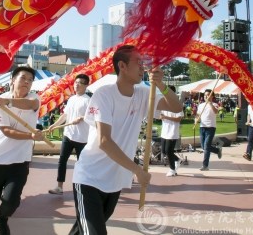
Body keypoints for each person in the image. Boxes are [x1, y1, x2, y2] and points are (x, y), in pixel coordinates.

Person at [69, 45, 182, 235]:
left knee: (83, 231)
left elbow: (176, 107)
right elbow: (105, 141)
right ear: (122, 65)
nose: (143, 67)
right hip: (89, 178)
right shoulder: (104, 94)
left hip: (115, 181)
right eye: (138, 62)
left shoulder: (144, 94)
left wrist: (161, 84)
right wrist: (137, 170)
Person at [0, 66, 45, 235]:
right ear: (13, 80)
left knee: (11, 201)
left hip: (20, 162)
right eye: (23, 78)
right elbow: (7, 131)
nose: (27, 82)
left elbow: (30, 105)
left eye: (30, 80)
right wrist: (31, 136)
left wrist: (8, 102)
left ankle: (2, 217)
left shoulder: (34, 98)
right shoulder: (1, 100)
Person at [47, 74, 91, 195]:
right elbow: (65, 115)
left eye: (80, 83)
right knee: (62, 161)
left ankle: (83, 186)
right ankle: (59, 186)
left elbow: (92, 117)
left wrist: (82, 117)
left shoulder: (88, 101)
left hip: (82, 138)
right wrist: (54, 125)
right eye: (76, 82)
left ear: (86, 85)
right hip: (68, 135)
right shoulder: (71, 99)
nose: (77, 85)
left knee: (81, 164)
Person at [159, 85, 184, 177]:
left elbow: (178, 119)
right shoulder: (163, 103)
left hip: (172, 132)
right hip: (164, 131)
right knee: (164, 151)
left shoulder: (177, 104)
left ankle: (172, 170)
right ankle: (177, 160)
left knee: (169, 151)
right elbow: (160, 115)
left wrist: (165, 117)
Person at [195, 89, 223, 171]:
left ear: (212, 96)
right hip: (202, 127)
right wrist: (196, 120)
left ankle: (205, 165)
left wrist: (210, 103)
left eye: (208, 95)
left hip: (211, 127)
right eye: (204, 95)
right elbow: (197, 115)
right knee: (204, 146)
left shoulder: (215, 104)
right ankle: (217, 150)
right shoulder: (201, 105)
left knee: (206, 146)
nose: (206, 96)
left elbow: (216, 112)